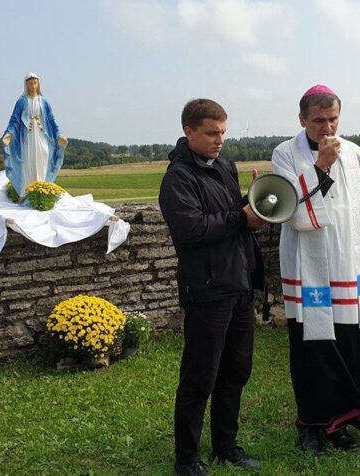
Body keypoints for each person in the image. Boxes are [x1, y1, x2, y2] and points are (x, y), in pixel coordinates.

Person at [271, 84, 360, 456]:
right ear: (302, 119)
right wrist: (320, 167)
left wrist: (349, 247)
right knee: (311, 349)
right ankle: (310, 426)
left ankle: (340, 425)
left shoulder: (356, 153)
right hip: (306, 263)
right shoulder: (284, 153)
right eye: (318, 121)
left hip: (345, 262)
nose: (326, 128)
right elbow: (286, 209)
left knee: (349, 345)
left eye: (333, 119)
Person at [158, 99, 265, 476]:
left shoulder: (224, 167)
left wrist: (252, 204)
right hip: (206, 289)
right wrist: (241, 217)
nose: (220, 140)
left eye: (223, 132)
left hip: (238, 282)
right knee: (199, 377)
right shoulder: (178, 178)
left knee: (236, 370)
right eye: (211, 133)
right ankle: (186, 459)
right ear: (189, 132)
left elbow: (230, 212)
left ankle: (225, 445)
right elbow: (192, 229)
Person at [2, 73, 68, 197]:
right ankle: (29, 194)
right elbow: (14, 120)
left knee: (43, 159)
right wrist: (9, 134)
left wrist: (59, 135)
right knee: (28, 162)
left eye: (35, 83)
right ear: (26, 85)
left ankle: (43, 191)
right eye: (30, 83)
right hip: (27, 138)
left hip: (42, 137)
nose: (33, 86)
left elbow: (52, 120)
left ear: (39, 84)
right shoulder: (22, 102)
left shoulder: (44, 102)